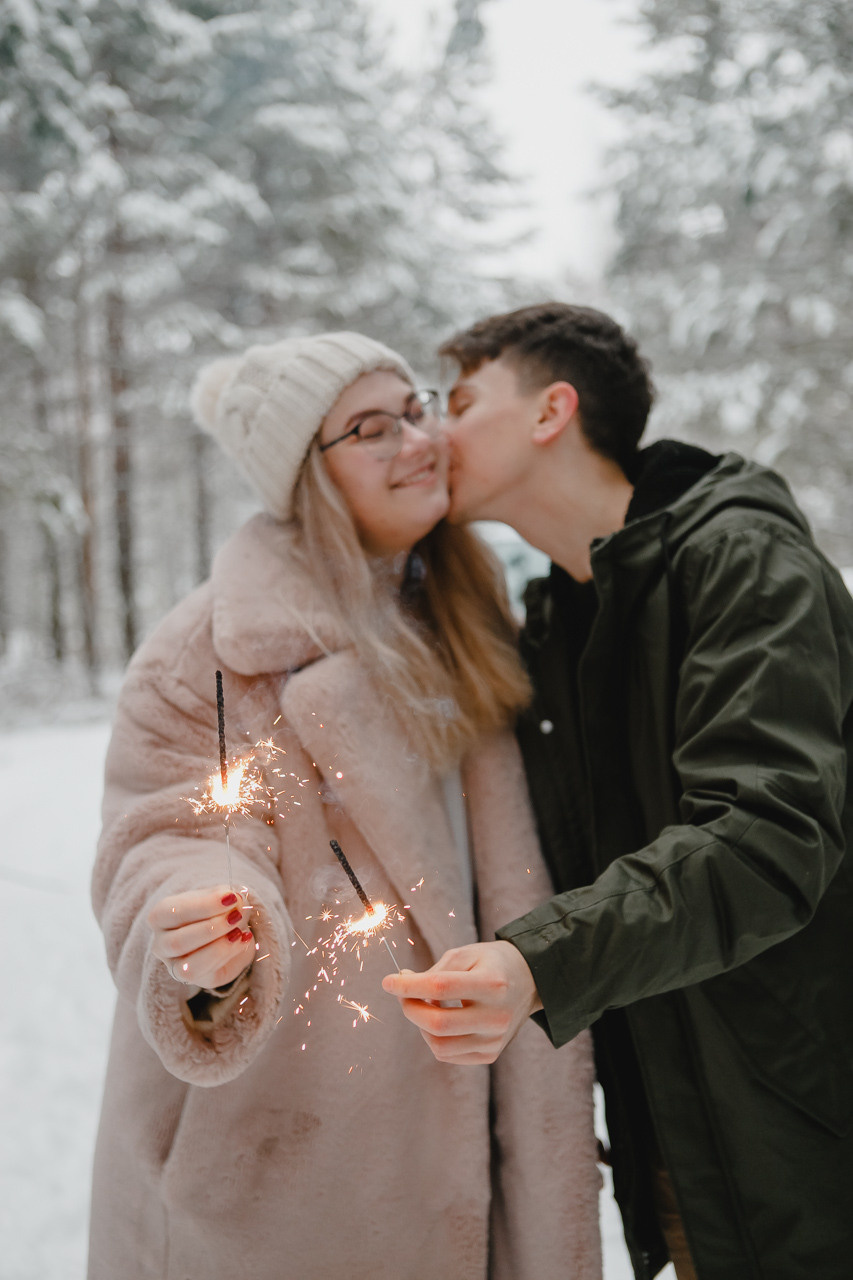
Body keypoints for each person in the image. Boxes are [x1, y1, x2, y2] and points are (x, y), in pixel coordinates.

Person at [88, 330, 602, 1280]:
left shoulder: (465, 618)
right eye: (370, 428)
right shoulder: (212, 648)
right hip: (297, 1163)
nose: (417, 439)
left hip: (471, 1134)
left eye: (415, 409)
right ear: (305, 478)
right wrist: (204, 920)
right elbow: (174, 830)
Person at [383, 303, 853, 1280]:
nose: (433, 434)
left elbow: (764, 841)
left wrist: (538, 961)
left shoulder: (740, 563)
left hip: (810, 1138)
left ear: (553, 409)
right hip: (685, 1154)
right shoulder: (557, 627)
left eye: (460, 402)